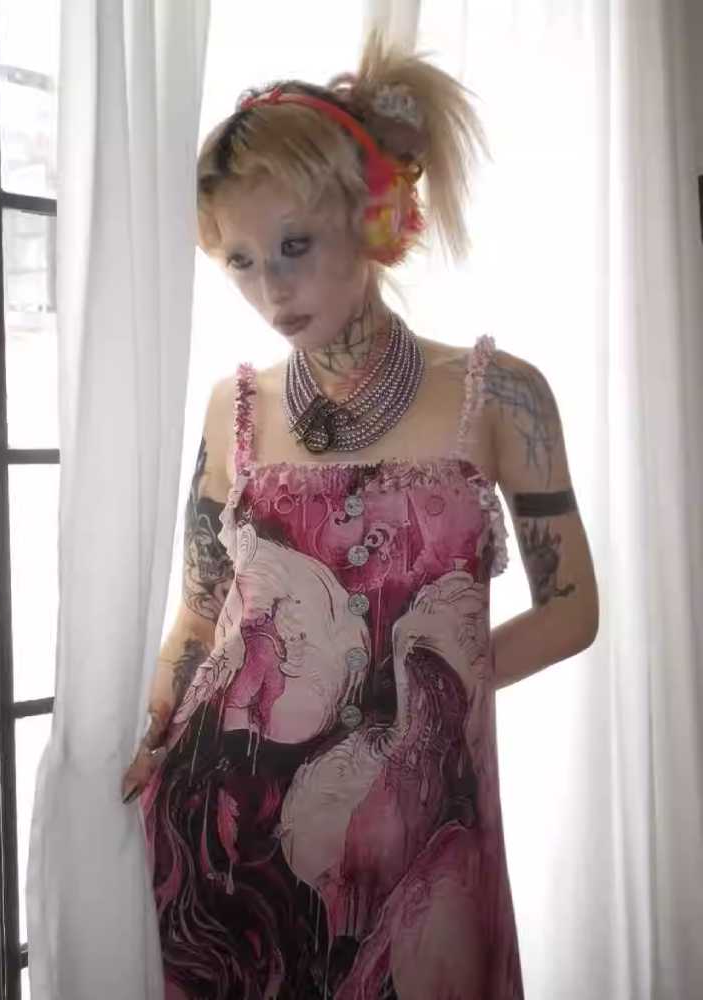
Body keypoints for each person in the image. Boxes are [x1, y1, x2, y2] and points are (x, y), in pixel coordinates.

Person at [120, 29, 599, 1000]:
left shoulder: (500, 396)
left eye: (295, 246)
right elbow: (200, 618)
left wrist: (433, 694)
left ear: (375, 218)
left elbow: (573, 610)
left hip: (417, 831)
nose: (272, 288)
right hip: (227, 843)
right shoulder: (233, 408)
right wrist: (145, 734)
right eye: (242, 260)